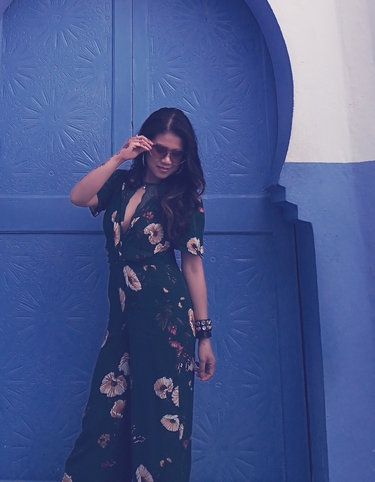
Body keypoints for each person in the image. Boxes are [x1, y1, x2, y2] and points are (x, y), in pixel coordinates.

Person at [61, 107, 215, 482]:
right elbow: (78, 197)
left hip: (167, 320)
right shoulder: (121, 184)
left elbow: (192, 267)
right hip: (123, 320)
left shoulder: (185, 199)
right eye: (160, 149)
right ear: (145, 145)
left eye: (177, 154)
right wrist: (118, 158)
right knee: (103, 414)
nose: (167, 160)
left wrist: (205, 336)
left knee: (161, 418)